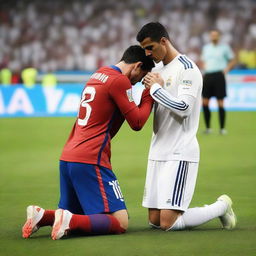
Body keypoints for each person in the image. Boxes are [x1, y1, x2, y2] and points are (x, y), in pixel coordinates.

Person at [22, 45, 155, 240]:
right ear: (137, 66)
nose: (137, 82)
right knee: (120, 221)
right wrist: (148, 93)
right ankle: (68, 221)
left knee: (79, 213)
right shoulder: (120, 81)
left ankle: (42, 216)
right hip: (90, 158)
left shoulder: (99, 74)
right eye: (141, 76)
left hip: (68, 157)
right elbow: (136, 122)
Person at [136, 22, 236, 231]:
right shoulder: (159, 69)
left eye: (150, 47)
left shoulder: (188, 69)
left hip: (180, 151)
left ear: (164, 41)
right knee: (154, 220)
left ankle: (221, 206)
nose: (147, 53)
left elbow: (183, 108)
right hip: (158, 149)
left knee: (168, 223)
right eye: (144, 49)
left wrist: (155, 88)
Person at [201, 30, 236, 134]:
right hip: (208, 75)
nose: (214, 37)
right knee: (205, 102)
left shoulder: (225, 48)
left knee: (220, 102)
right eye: (212, 35)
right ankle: (208, 128)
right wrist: (204, 67)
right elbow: (203, 60)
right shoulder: (206, 48)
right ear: (210, 37)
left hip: (219, 76)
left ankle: (222, 128)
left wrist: (227, 69)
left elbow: (233, 60)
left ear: (219, 37)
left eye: (215, 35)